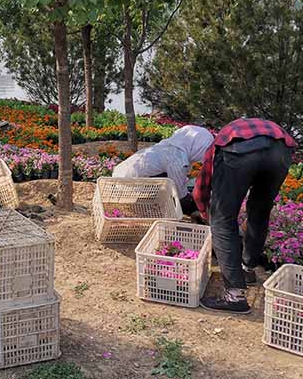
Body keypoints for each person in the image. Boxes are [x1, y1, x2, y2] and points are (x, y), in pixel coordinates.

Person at [194, 118, 296, 314]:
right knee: (259, 212)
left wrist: (206, 212)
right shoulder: (260, 126)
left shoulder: (219, 142)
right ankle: (247, 269)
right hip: (280, 149)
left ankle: (234, 297)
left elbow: (202, 187)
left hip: (238, 149)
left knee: (222, 219)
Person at [112, 125, 214, 215]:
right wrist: (199, 207)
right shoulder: (177, 158)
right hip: (127, 188)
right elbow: (179, 195)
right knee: (177, 197)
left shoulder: (168, 147)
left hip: (120, 178)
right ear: (198, 147)